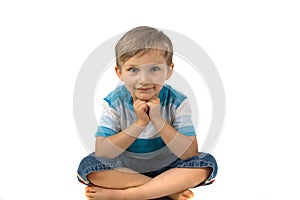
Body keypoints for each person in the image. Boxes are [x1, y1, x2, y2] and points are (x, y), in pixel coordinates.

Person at [77, 26, 218, 200]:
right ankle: (168, 190)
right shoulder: (114, 101)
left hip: (169, 166)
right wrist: (139, 123)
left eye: (154, 69)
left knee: (206, 164)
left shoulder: (177, 101)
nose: (144, 80)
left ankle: (129, 195)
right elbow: (104, 152)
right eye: (133, 70)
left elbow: (189, 154)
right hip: (127, 167)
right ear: (119, 73)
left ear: (169, 70)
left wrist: (158, 120)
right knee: (90, 165)